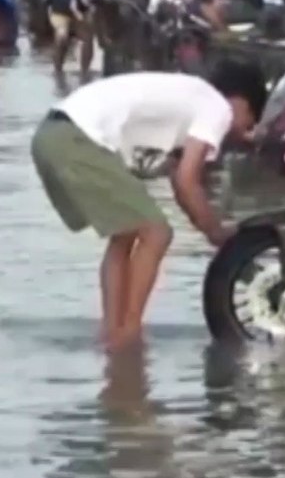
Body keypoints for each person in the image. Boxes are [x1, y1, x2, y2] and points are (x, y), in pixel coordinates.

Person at [29, 64, 267, 350]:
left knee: (126, 235)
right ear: (240, 102)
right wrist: (216, 232)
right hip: (77, 137)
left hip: (51, 134)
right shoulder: (218, 108)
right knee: (157, 233)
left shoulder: (191, 97)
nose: (244, 132)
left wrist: (212, 232)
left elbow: (182, 188)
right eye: (250, 122)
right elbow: (187, 181)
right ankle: (129, 335)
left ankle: (113, 334)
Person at [45, 0, 89, 75]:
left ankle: (58, 67)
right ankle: (81, 69)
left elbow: (47, 3)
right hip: (64, 16)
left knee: (61, 39)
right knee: (64, 38)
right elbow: (74, 7)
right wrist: (80, 18)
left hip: (57, 16)